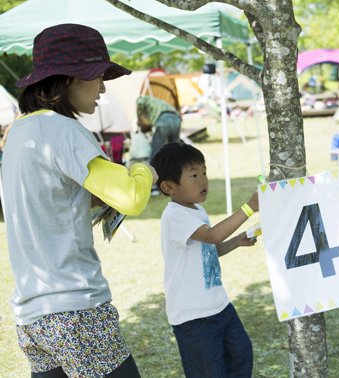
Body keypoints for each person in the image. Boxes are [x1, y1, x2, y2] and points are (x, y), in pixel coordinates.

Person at [2, 24, 158, 378]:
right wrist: (142, 169)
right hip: (76, 310)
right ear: (68, 79)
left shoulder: (19, 132)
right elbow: (131, 198)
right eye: (98, 75)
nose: (103, 88)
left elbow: (44, 202)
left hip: (31, 316)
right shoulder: (64, 131)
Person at [150, 142, 258, 378]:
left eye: (204, 172)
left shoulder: (196, 210)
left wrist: (235, 242)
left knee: (242, 355)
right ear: (168, 186)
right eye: (194, 175)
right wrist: (250, 208)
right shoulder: (175, 215)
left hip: (220, 306)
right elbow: (212, 235)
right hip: (193, 317)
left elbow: (208, 249)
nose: (203, 180)